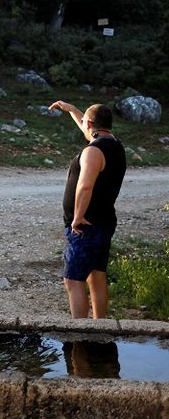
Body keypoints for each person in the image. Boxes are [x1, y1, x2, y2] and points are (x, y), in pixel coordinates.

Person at [48, 101, 126, 319]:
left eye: (85, 122)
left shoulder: (94, 151)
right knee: (96, 275)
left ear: (91, 123)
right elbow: (87, 126)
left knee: (73, 279)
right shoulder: (114, 144)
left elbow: (85, 186)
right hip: (104, 221)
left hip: (86, 224)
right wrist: (71, 110)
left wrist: (78, 216)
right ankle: (100, 327)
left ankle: (80, 335)